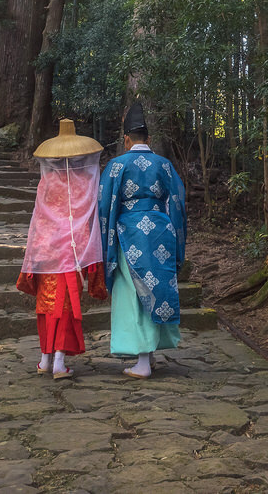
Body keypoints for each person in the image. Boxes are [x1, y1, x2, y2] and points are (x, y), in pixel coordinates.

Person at [99, 101, 187, 379]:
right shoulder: (165, 165)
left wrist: (107, 239)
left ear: (126, 140)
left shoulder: (116, 166)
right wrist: (176, 235)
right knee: (157, 287)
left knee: (134, 294)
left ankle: (142, 360)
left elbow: (104, 206)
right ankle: (149, 354)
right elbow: (178, 202)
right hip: (161, 231)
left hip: (129, 234)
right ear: (149, 139)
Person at [16, 118, 108, 379]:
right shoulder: (84, 183)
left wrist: (35, 251)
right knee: (64, 306)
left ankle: (45, 358)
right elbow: (89, 217)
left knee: (46, 305)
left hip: (47, 252)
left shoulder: (47, 183)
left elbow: (39, 219)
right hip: (74, 252)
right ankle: (58, 361)